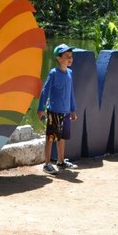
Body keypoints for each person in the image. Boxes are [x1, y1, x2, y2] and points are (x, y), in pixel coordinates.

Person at [37, 44, 78, 174]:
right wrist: (41, 108)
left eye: (70, 56)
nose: (70, 58)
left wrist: (72, 109)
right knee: (50, 138)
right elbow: (45, 91)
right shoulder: (54, 73)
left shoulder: (70, 73)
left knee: (62, 138)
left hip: (65, 112)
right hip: (54, 111)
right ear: (59, 58)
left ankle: (60, 161)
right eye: (66, 56)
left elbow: (71, 93)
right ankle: (47, 164)